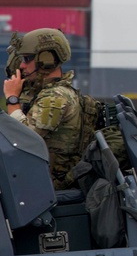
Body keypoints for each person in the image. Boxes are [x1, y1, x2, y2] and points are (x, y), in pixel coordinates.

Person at [3, 28, 84, 190]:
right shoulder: (46, 93)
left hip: (48, 186)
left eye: (27, 59)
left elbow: (24, 140)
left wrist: (12, 99)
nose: (23, 65)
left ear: (46, 59)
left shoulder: (54, 98)